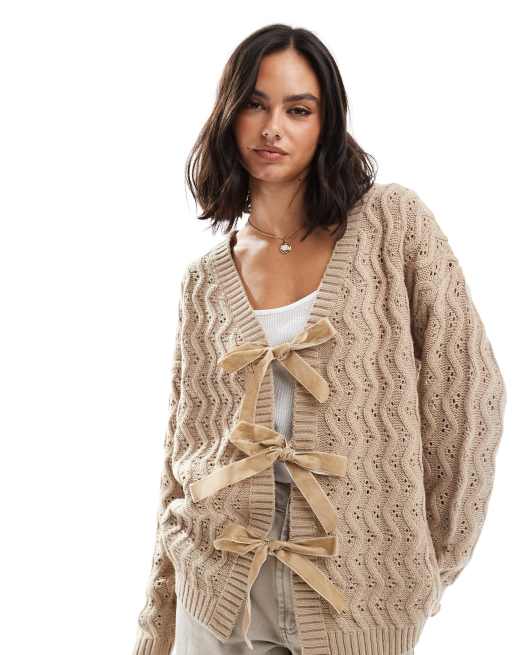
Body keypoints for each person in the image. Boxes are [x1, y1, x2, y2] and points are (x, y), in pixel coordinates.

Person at [131, 24, 506, 655]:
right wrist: (157, 619)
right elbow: (182, 458)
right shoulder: (204, 281)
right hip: (217, 592)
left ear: (327, 124)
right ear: (229, 116)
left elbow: (468, 394)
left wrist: (426, 565)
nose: (272, 128)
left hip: (355, 593)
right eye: (255, 104)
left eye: (298, 109)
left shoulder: (392, 226)